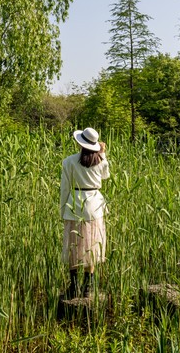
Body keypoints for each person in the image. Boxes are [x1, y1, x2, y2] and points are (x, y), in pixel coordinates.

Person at [60, 127, 110, 298]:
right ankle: (87, 287)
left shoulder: (68, 161)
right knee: (92, 245)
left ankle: (73, 287)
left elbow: (65, 188)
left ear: (79, 142)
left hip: (75, 203)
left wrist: (62, 209)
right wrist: (102, 154)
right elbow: (105, 176)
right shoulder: (101, 161)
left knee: (73, 245)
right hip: (95, 205)